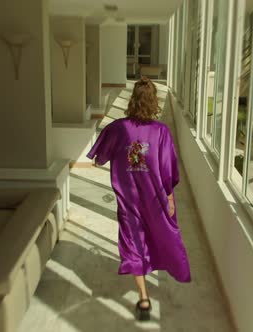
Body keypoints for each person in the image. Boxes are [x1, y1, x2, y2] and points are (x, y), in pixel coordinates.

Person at [86, 77, 191, 321]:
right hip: (156, 201)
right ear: (154, 101)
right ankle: (167, 274)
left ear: (133, 100)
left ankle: (143, 299)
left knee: (133, 244)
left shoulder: (118, 128)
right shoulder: (161, 132)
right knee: (161, 237)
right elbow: (168, 170)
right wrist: (169, 198)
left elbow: (98, 158)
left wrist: (110, 158)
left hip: (129, 201)